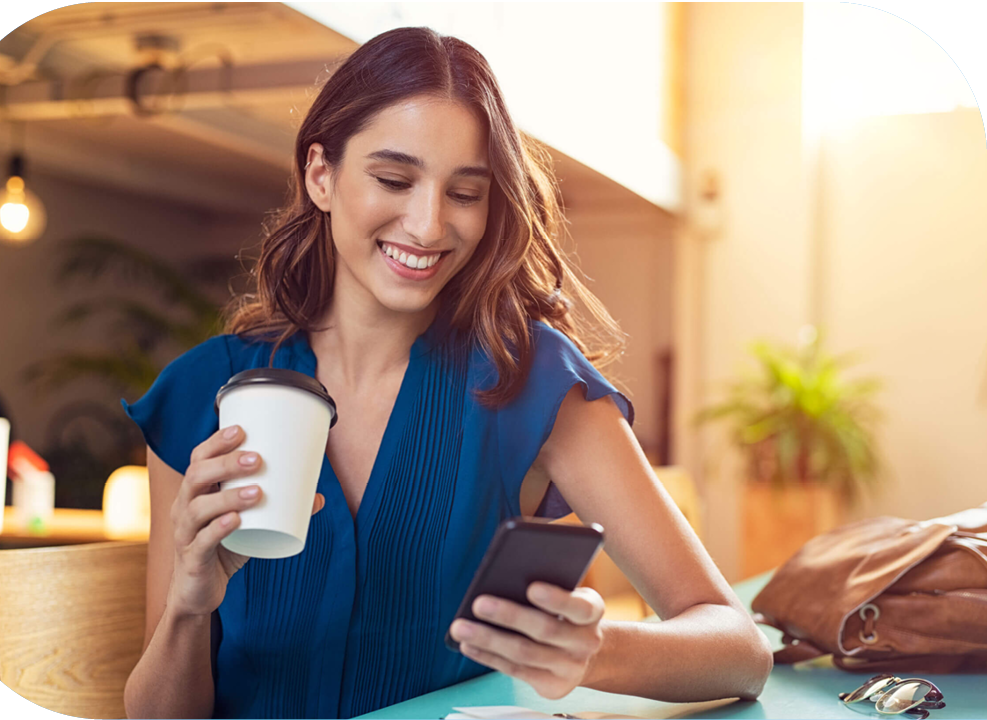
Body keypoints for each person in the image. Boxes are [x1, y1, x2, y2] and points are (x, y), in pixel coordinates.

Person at [122, 26, 772, 720]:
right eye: (394, 179)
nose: (429, 226)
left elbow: (740, 649)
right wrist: (188, 611)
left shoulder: (533, 382)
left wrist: (594, 650)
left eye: (465, 192)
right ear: (321, 174)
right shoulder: (204, 393)